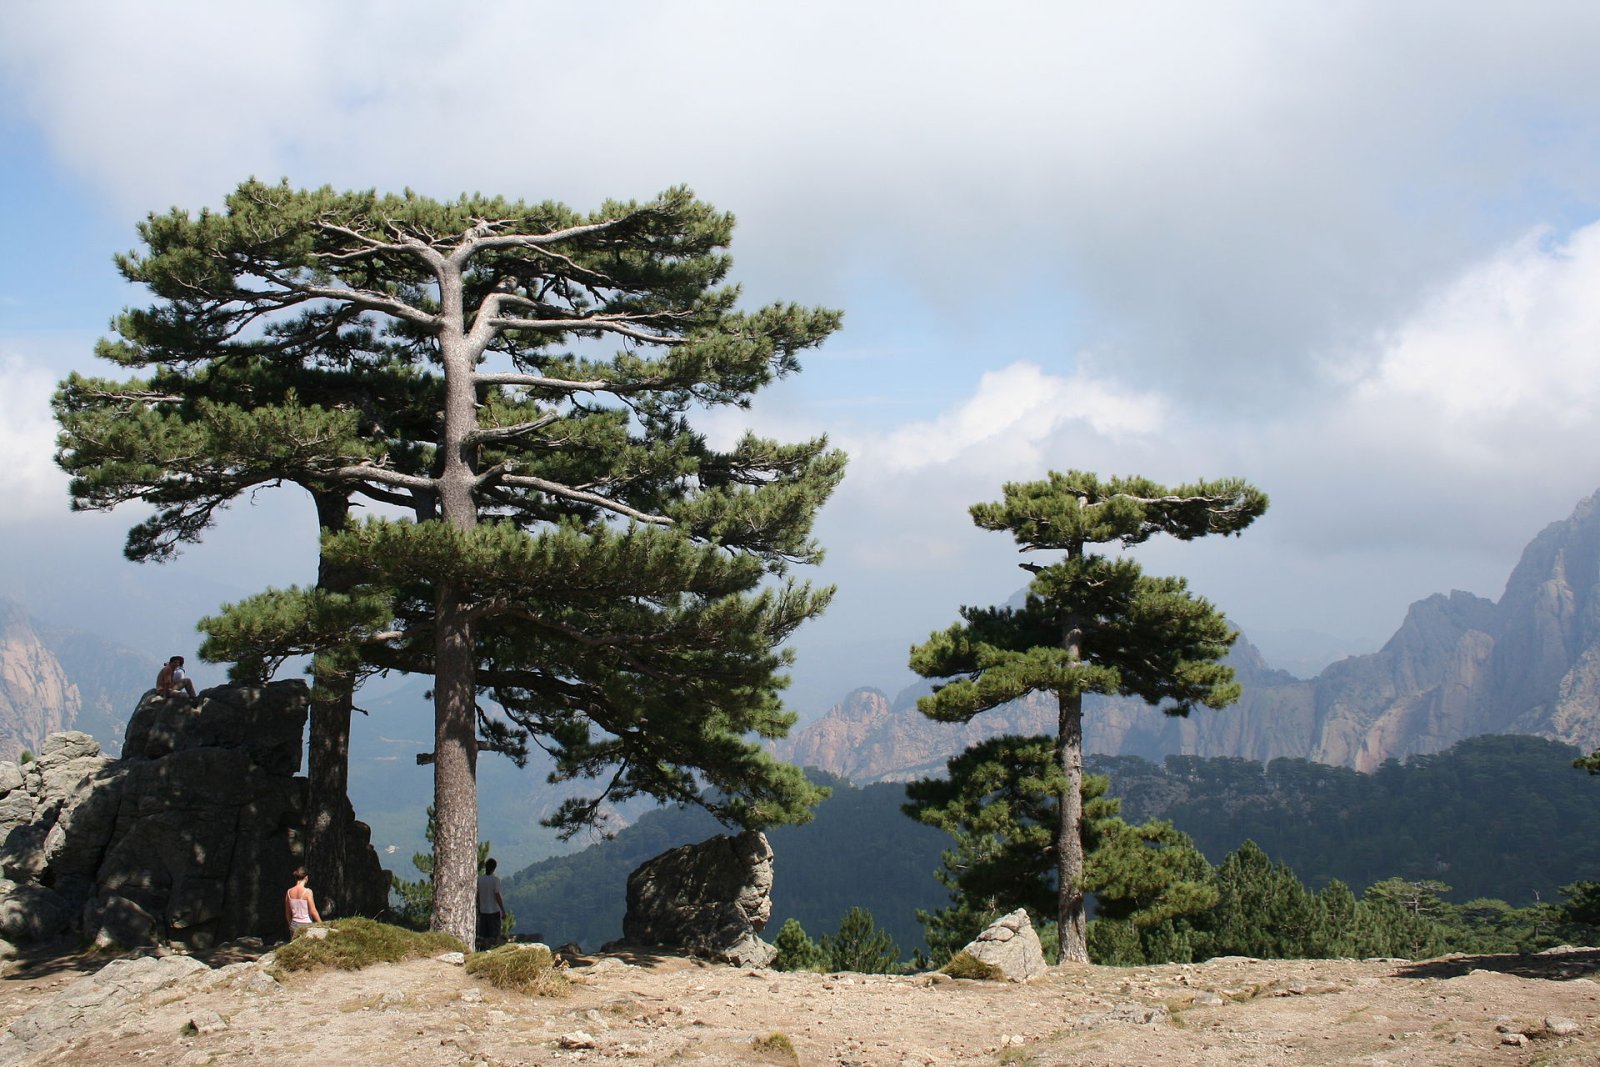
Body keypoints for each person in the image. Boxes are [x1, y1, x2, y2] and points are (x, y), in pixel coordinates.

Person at [476, 857, 505, 950]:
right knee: (494, 936)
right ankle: (494, 950)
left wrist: (478, 908)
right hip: (493, 911)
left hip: (483, 911)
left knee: (483, 936)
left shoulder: (480, 880)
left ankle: (483, 951)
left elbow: (478, 895)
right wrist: (503, 910)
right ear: (494, 868)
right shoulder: (495, 880)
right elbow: (497, 895)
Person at [285, 866, 321, 937]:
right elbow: (313, 911)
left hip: (294, 924)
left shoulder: (289, 892)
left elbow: (287, 913)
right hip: (306, 924)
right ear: (306, 877)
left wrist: (290, 925)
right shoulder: (308, 892)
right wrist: (321, 924)